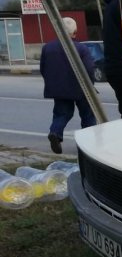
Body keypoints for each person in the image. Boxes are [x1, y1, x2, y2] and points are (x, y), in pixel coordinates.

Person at [40, 17, 97, 154]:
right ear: (75, 32)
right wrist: (91, 84)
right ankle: (88, 143)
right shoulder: (81, 48)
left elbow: (43, 68)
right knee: (88, 115)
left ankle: (55, 133)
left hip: (59, 89)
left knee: (61, 113)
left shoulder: (47, 48)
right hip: (81, 89)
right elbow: (89, 68)